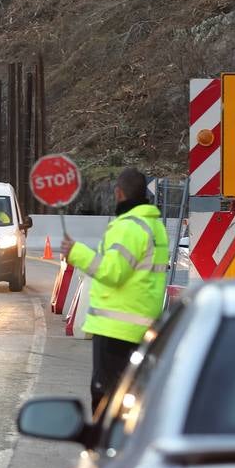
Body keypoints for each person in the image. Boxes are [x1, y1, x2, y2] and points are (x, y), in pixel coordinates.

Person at [61, 167, 169, 416]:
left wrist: (76, 252)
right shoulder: (154, 226)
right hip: (141, 325)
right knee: (131, 396)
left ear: (119, 193)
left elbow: (113, 271)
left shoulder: (128, 227)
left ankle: (105, 447)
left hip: (116, 328)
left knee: (106, 398)